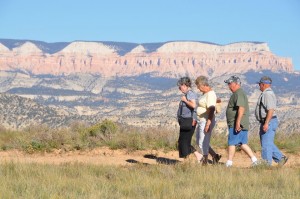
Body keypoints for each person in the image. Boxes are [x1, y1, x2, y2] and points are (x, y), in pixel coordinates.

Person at [224, 75, 258, 167]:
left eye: (229, 84)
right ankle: (255, 160)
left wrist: (237, 122)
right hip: (239, 123)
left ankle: (229, 163)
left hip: (237, 123)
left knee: (232, 142)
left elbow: (241, 108)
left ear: (235, 84)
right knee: (241, 143)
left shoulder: (239, 93)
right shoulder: (238, 93)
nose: (228, 86)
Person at [255, 76, 288, 166]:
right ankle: (280, 158)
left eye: (259, 84)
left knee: (266, 145)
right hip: (268, 121)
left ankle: (266, 164)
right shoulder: (267, 93)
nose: (259, 86)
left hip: (268, 121)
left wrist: (266, 123)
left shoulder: (267, 94)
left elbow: (270, 110)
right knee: (267, 142)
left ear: (263, 84)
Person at [194, 76, 222, 165]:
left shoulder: (210, 94)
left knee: (203, 142)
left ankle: (204, 161)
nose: (198, 89)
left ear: (203, 85)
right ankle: (214, 156)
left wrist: (208, 124)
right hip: (201, 120)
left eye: (199, 87)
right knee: (199, 141)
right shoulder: (206, 94)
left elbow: (212, 108)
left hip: (206, 121)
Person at [177, 77, 202, 162]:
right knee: (184, 141)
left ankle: (189, 159)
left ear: (184, 85)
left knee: (183, 141)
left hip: (189, 121)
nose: (179, 88)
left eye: (180, 86)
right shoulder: (187, 94)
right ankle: (197, 156)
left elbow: (193, 105)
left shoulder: (190, 94)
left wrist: (185, 100)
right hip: (186, 121)